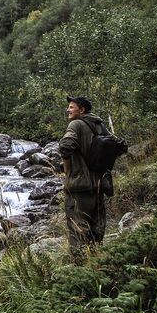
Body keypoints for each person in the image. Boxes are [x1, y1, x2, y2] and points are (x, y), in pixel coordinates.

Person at [58, 96, 110, 261]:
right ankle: (96, 263)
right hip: (99, 186)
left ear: (82, 110)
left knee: (78, 230)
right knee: (96, 229)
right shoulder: (100, 125)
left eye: (71, 107)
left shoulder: (76, 124)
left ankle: (79, 272)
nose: (68, 110)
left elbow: (65, 146)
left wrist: (68, 171)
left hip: (80, 188)